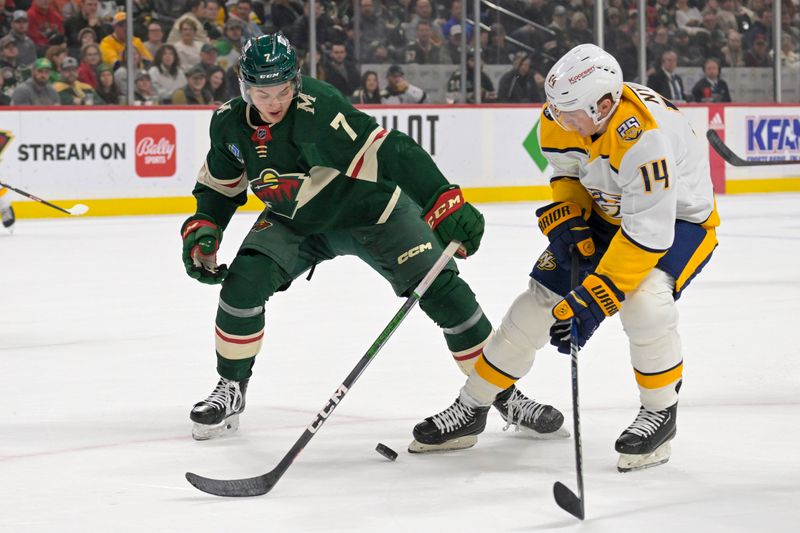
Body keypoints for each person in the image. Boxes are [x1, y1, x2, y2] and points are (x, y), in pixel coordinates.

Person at [182, 32, 556, 442]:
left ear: (297, 82)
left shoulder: (318, 110)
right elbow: (220, 188)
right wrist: (205, 226)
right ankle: (232, 388)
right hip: (296, 222)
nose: (273, 102)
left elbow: (393, 151)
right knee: (242, 284)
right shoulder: (228, 124)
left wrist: (442, 200)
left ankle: (502, 394)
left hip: (373, 213)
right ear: (244, 87)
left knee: (445, 292)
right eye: (262, 92)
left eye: (283, 90)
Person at [413, 44, 719, 473]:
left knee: (646, 300)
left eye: (570, 113)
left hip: (677, 220)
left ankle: (660, 413)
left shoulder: (645, 139)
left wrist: (597, 298)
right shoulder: (562, 113)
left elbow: (648, 233)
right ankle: (473, 405)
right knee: (536, 302)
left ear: (605, 105)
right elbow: (567, 171)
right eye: (555, 109)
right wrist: (569, 213)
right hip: (607, 208)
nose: (559, 120)